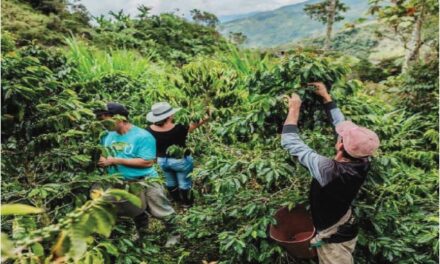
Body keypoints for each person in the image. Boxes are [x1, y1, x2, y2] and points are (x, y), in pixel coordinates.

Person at [280, 82, 380, 264]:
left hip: (334, 241)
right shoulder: (363, 159)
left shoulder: (329, 171)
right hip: (345, 222)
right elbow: (340, 123)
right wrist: (326, 97)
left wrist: (294, 108)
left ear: (340, 144)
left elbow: (290, 142)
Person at [94, 102, 179, 247]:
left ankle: (175, 234)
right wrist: (102, 160)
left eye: (106, 119)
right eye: (101, 120)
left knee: (160, 208)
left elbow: (147, 162)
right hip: (122, 182)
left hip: (145, 180)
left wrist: (115, 160)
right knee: (135, 210)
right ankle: (143, 235)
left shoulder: (142, 136)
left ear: (119, 118)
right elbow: (104, 153)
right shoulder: (106, 136)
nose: (103, 123)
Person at [146, 102, 210, 208]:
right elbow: (196, 124)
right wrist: (207, 115)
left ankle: (177, 202)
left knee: (170, 183)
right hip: (180, 160)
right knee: (184, 183)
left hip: (162, 160)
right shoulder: (179, 128)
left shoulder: (148, 130)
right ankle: (187, 204)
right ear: (169, 116)